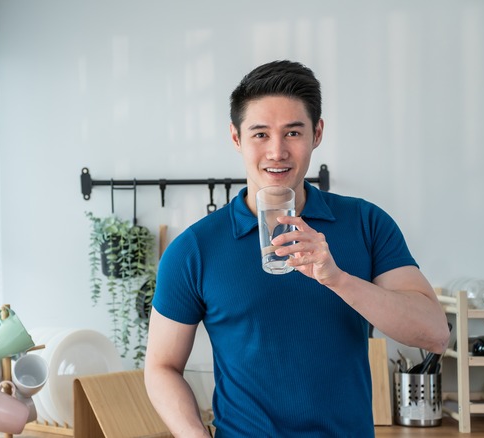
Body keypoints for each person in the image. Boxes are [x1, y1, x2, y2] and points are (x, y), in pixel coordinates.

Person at [144, 60, 450, 437]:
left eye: (292, 132)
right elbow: (161, 367)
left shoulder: (367, 223)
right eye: (260, 134)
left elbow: (435, 333)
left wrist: (338, 279)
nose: (277, 151)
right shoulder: (194, 249)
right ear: (236, 138)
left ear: (316, 133)